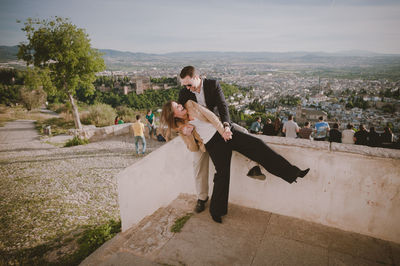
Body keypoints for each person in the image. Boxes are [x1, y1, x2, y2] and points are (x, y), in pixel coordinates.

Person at [161, 100, 310, 224]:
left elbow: (211, 116)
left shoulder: (190, 105)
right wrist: (187, 135)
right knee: (222, 175)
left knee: (258, 146)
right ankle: (216, 211)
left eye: (179, 105)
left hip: (225, 133)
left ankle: (293, 173)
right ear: (173, 115)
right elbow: (194, 149)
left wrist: (224, 131)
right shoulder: (181, 129)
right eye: (177, 108)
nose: (181, 106)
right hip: (213, 144)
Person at [178, 65, 233, 214]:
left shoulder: (212, 85)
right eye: (185, 85)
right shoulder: (184, 92)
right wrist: (183, 127)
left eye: (189, 84)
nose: (188, 88)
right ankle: (202, 198)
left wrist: (226, 125)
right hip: (199, 135)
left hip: (217, 126)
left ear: (197, 78)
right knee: (198, 164)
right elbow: (177, 115)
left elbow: (223, 107)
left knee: (242, 133)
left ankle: (253, 166)